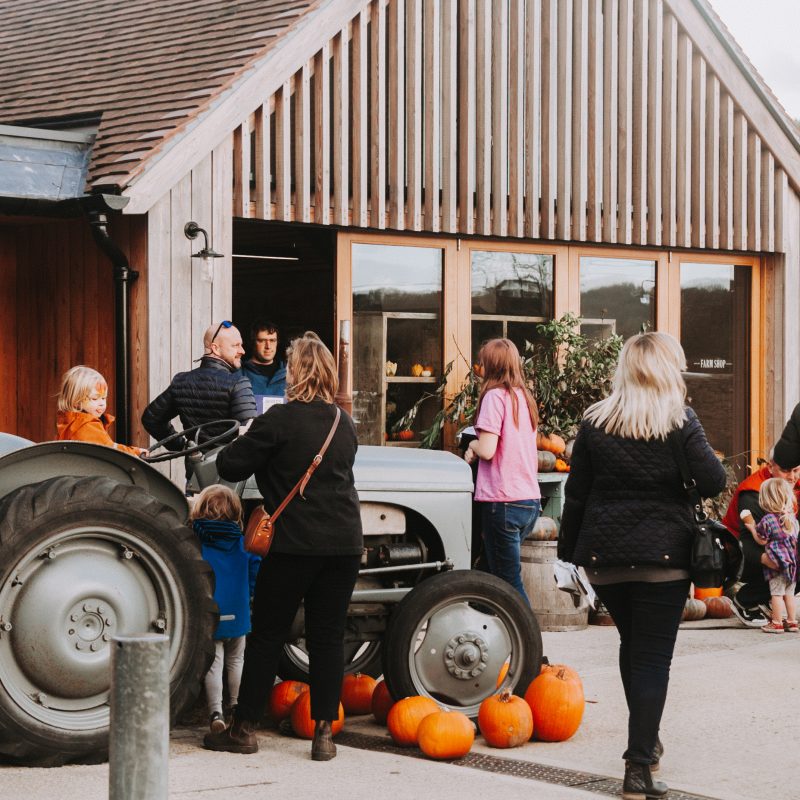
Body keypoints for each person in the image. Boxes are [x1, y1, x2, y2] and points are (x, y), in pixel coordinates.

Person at [558, 332, 726, 800]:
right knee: (652, 659)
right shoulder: (680, 419)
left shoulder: (595, 422)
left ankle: (646, 742)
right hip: (664, 558)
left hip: (605, 560)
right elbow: (713, 480)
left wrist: (569, 552)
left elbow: (576, 494)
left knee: (634, 648)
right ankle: (638, 768)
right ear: (669, 368)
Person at [203, 332, 362, 761]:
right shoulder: (342, 423)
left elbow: (229, 464)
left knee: (268, 635)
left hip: (293, 545)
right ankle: (325, 735)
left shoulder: (279, 420)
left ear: (296, 373)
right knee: (328, 637)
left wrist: (251, 436)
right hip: (345, 544)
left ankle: (244, 728)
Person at [464, 339, 540, 604]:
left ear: (491, 365)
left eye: (482, 362)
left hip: (502, 501)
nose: (479, 366)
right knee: (487, 578)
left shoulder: (494, 397)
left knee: (508, 584)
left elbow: (487, 449)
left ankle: (528, 641)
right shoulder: (524, 397)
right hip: (529, 501)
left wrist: (472, 444)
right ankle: (483, 631)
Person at [190, 485, 261, 732]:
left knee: (214, 663)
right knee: (237, 660)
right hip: (238, 612)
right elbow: (255, 567)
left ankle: (215, 713)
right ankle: (236, 706)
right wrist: (249, 592)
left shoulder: (197, 543)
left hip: (212, 615)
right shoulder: (243, 543)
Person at [141, 321, 257, 461]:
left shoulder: (181, 382)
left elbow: (151, 418)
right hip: (229, 477)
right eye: (236, 345)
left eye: (241, 345)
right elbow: (252, 436)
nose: (242, 351)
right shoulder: (239, 384)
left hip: (195, 474)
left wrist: (185, 448)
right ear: (215, 348)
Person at [721, 452, 800, 627]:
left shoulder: (792, 486)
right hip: (740, 556)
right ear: (770, 466)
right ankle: (745, 600)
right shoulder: (754, 493)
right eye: (786, 471)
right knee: (793, 566)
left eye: (796, 470)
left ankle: (770, 599)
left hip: (778, 549)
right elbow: (747, 544)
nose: (792, 477)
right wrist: (773, 560)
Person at [741, 478, 798, 634]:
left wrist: (752, 528)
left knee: (777, 594)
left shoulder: (768, 519)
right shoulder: (792, 519)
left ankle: (777, 623)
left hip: (777, 563)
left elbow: (761, 540)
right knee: (789, 594)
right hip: (792, 564)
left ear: (765, 500)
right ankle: (792, 622)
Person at [56, 365, 145, 456]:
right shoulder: (86, 425)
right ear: (76, 401)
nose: (101, 403)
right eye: (95, 399)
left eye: (103, 398)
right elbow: (109, 450)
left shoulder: (69, 422)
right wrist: (135, 452)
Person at [241, 321, 287, 399]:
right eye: (262, 341)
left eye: (272, 340)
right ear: (252, 343)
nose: (268, 346)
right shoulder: (241, 373)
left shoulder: (288, 374)